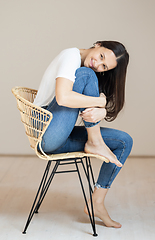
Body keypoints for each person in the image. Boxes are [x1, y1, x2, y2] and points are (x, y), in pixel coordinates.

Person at [34, 41, 133, 228]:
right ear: (98, 44)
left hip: (61, 135)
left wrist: (101, 108)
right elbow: (63, 97)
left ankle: (96, 203)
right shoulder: (71, 56)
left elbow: (93, 105)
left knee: (124, 141)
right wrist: (100, 102)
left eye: (104, 67)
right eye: (101, 56)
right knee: (86, 74)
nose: (98, 64)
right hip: (46, 133)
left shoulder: (87, 71)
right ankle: (94, 141)